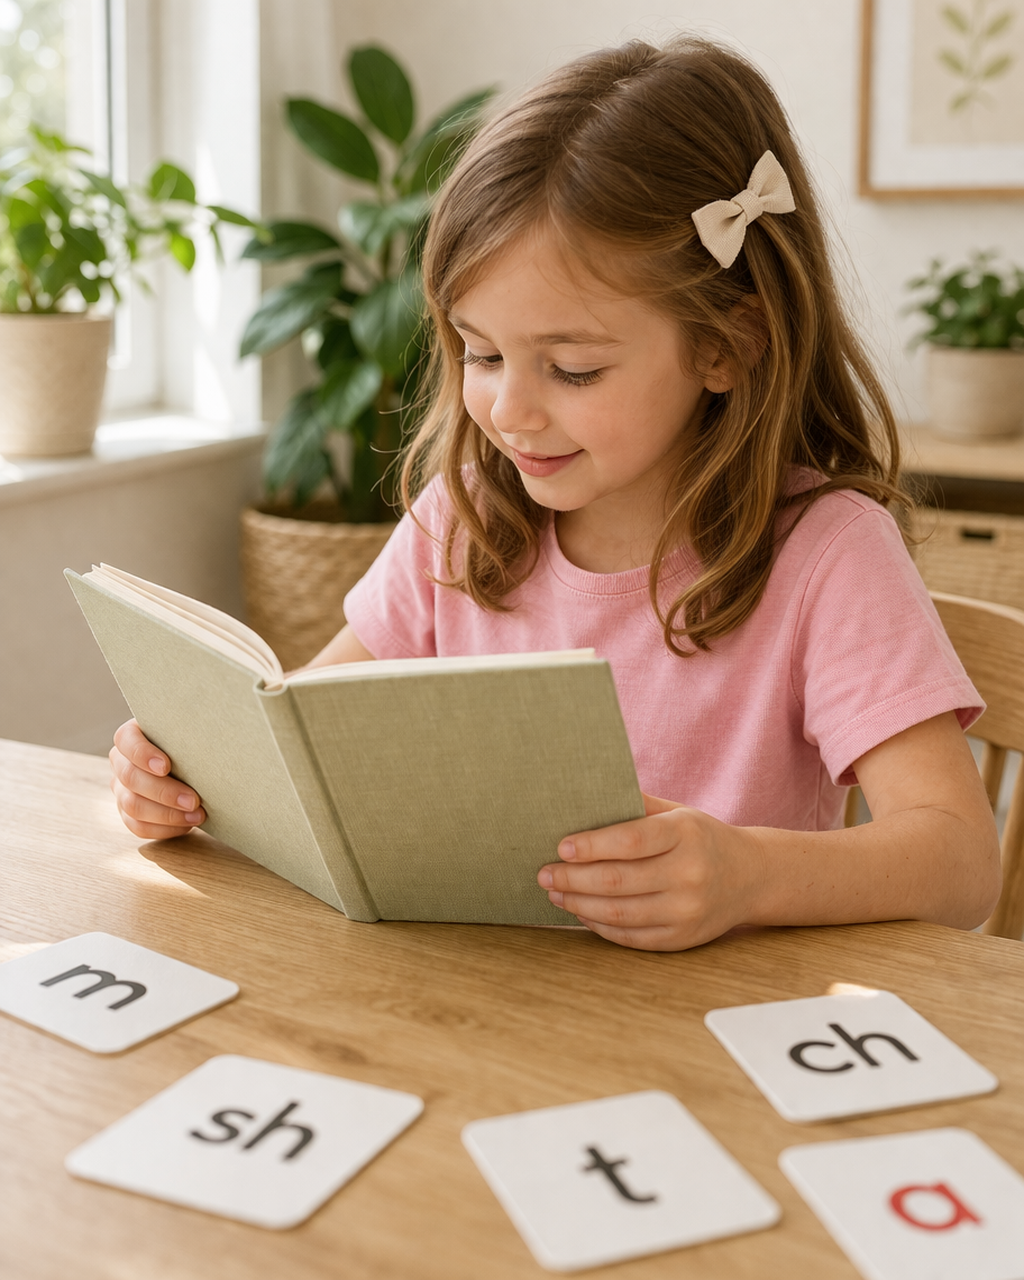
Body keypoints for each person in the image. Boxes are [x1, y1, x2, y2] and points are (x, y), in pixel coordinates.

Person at [110, 37, 1001, 951]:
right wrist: (187, 771)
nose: (508, 410)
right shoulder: (464, 519)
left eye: (573, 369)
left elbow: (961, 862)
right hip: (486, 1007)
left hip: (722, 1034)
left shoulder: (827, 553)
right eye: (481, 354)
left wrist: (745, 874)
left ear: (727, 345)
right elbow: (298, 733)